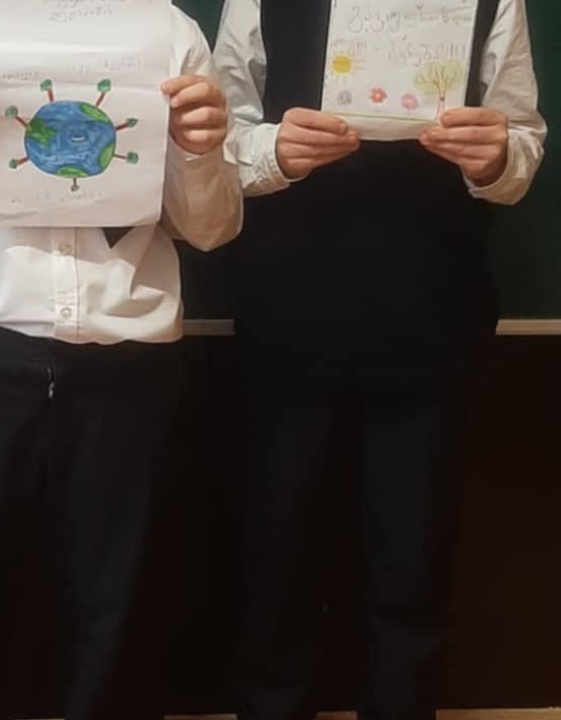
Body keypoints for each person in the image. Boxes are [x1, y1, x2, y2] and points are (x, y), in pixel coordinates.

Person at [0, 1, 242, 718]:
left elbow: (211, 229)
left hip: (129, 369)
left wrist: (198, 151)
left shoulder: (170, 31)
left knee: (120, 621)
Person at [213, 1, 546, 719]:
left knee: (411, 567)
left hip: (432, 320)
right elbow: (216, 144)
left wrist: (495, 160)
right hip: (287, 320)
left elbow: (520, 145)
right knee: (276, 559)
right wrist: (272, 151)